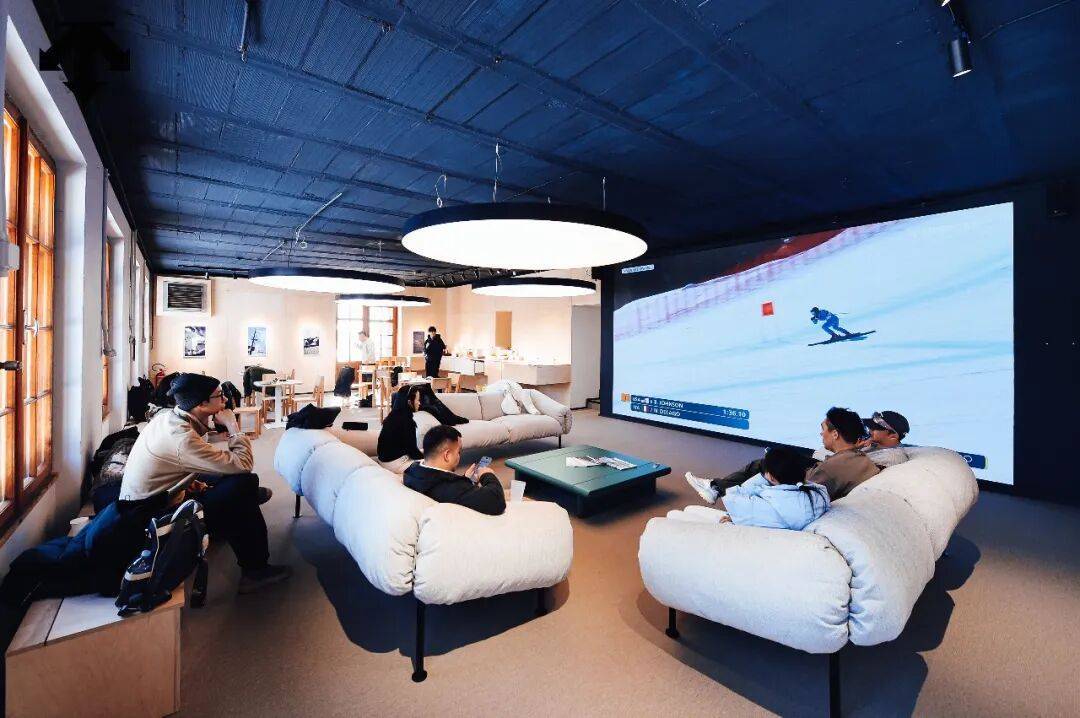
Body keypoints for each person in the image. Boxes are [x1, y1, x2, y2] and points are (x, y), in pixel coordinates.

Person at [117, 373, 291, 594]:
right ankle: (255, 570)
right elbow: (243, 463)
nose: (226, 400)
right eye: (220, 396)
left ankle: (244, 502)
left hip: (157, 499)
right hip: (155, 517)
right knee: (243, 483)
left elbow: (183, 470)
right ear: (201, 404)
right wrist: (233, 426)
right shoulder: (182, 439)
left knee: (235, 484)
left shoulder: (169, 418)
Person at [686, 407, 880, 503]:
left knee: (765, 464)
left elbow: (801, 494)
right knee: (775, 456)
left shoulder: (831, 469)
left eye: (823, 429)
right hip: (822, 468)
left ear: (835, 434)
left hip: (811, 476)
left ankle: (717, 489)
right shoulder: (861, 459)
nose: (821, 434)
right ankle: (716, 487)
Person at [713, 446, 830, 530]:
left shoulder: (772, 503)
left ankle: (713, 487)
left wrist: (764, 478)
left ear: (772, 477)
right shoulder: (819, 492)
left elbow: (734, 499)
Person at [403, 425, 505, 515]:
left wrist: (465, 479)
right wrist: (487, 475)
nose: (459, 456)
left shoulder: (412, 471)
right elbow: (496, 501)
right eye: (458, 452)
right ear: (447, 455)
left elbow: (452, 486)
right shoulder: (451, 488)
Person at [377, 385, 424, 473]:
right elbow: (413, 452)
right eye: (418, 400)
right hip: (393, 464)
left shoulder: (392, 416)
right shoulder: (407, 422)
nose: (419, 403)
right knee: (433, 461)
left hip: (382, 461)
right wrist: (426, 458)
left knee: (427, 451)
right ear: (409, 402)